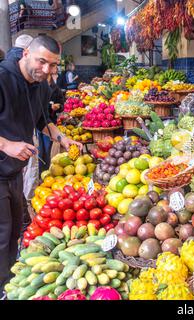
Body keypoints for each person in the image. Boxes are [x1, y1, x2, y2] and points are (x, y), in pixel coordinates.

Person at [0, 35, 82, 295]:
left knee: (15, 231)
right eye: (41, 61)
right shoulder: (2, 79)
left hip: (14, 172)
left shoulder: (41, 85)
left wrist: (62, 137)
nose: (46, 70)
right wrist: (6, 145)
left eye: (53, 65)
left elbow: (42, 122)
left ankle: (9, 282)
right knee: (2, 236)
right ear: (26, 54)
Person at [38, 71, 64, 173]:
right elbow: (38, 105)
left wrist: (58, 107)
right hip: (38, 122)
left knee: (47, 147)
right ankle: (41, 172)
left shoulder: (56, 89)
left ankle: (46, 170)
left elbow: (62, 105)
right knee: (40, 148)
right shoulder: (38, 88)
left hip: (50, 122)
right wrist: (49, 106)